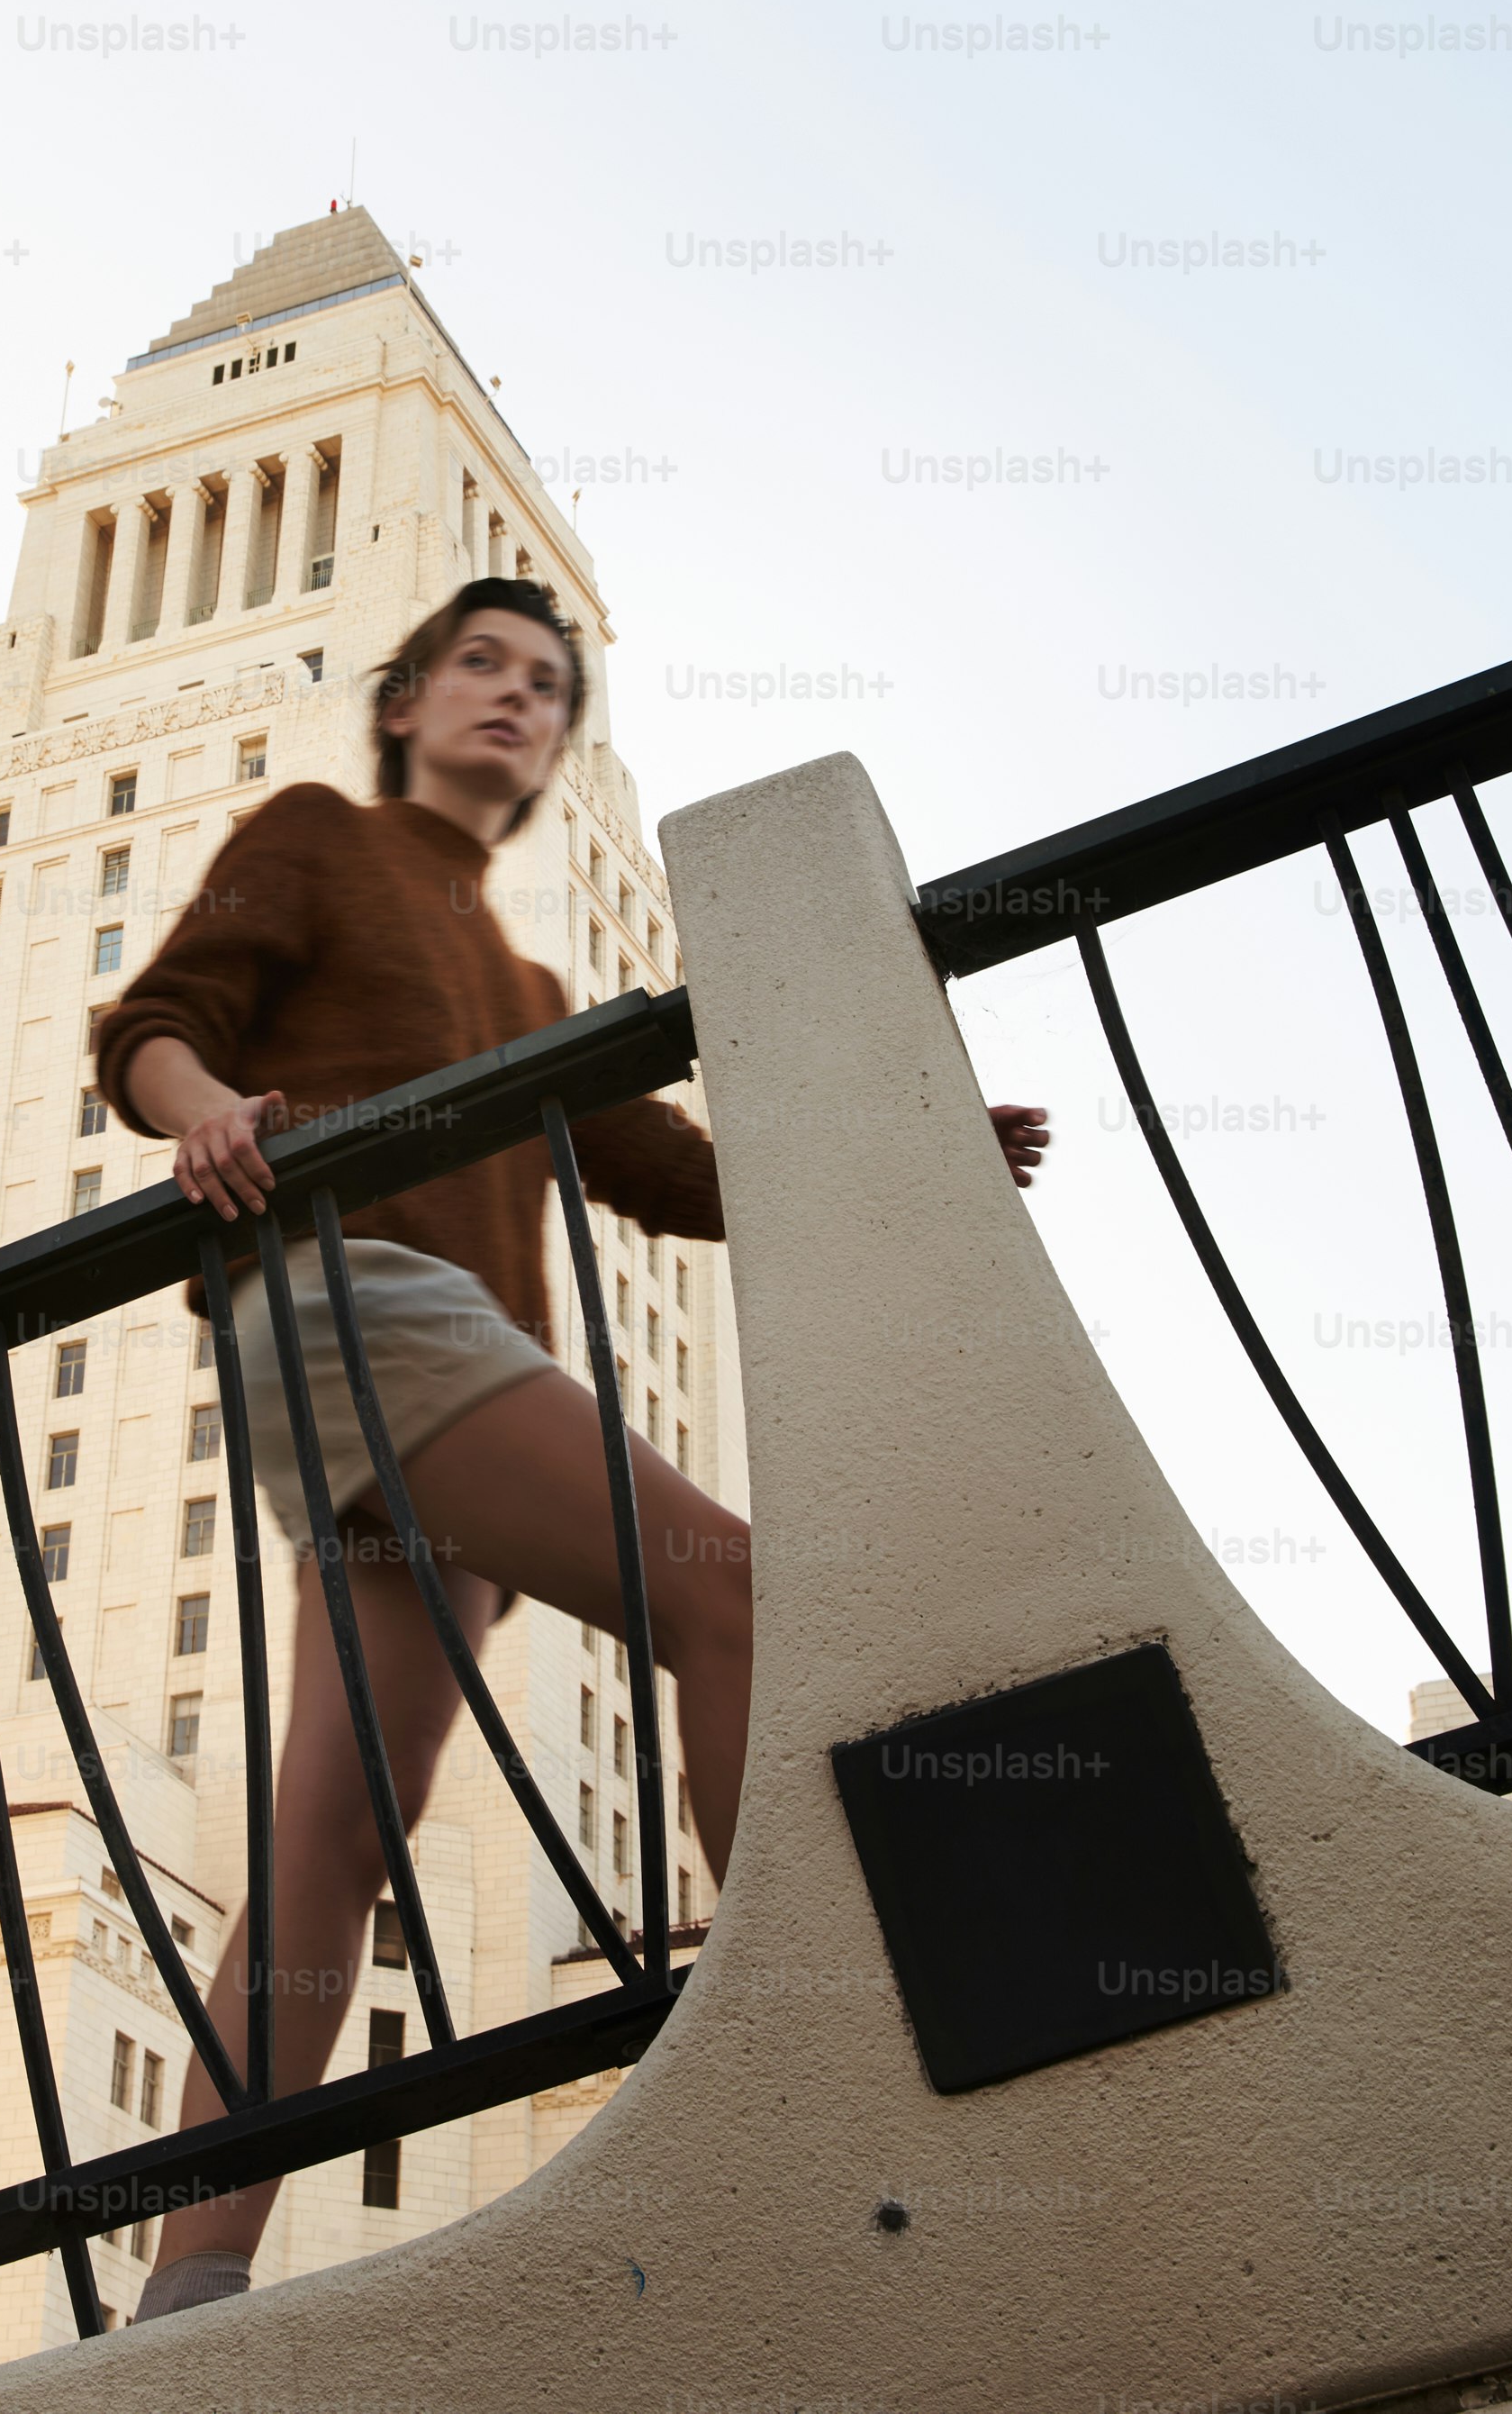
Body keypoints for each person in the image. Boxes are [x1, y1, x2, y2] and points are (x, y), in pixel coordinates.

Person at [95, 578, 1048, 2320]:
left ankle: (192, 2281)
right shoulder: (315, 835)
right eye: (482, 665)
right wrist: (205, 1112)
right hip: (353, 1301)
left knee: (335, 1840)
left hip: (411, 1396)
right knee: (731, 1593)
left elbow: (676, 1169)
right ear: (406, 698)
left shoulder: (529, 979)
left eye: (550, 685)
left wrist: (906, 1129)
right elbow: (156, 1019)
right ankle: (799, 2032)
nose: (518, 699)